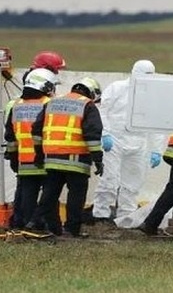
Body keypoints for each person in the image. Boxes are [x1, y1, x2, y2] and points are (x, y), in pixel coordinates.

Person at [28, 77, 104, 237]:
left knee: (49, 194)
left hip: (52, 158)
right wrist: (98, 159)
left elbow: (36, 130)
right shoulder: (87, 105)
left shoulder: (52, 102)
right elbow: (92, 134)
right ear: (92, 92)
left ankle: (35, 222)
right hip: (76, 160)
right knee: (76, 196)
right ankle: (71, 229)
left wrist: (39, 154)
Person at [92, 60, 167, 224]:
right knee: (109, 179)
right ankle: (100, 214)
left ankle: (125, 215)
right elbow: (102, 109)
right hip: (115, 140)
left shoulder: (153, 95)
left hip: (139, 142)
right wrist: (105, 133)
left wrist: (157, 150)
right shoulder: (117, 88)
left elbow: (156, 124)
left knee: (133, 182)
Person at [3, 68, 58, 230]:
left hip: (25, 160)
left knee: (27, 195)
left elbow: (11, 137)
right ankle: (50, 227)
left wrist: (14, 159)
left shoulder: (16, 106)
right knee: (50, 196)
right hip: (46, 158)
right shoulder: (48, 104)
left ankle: (27, 225)